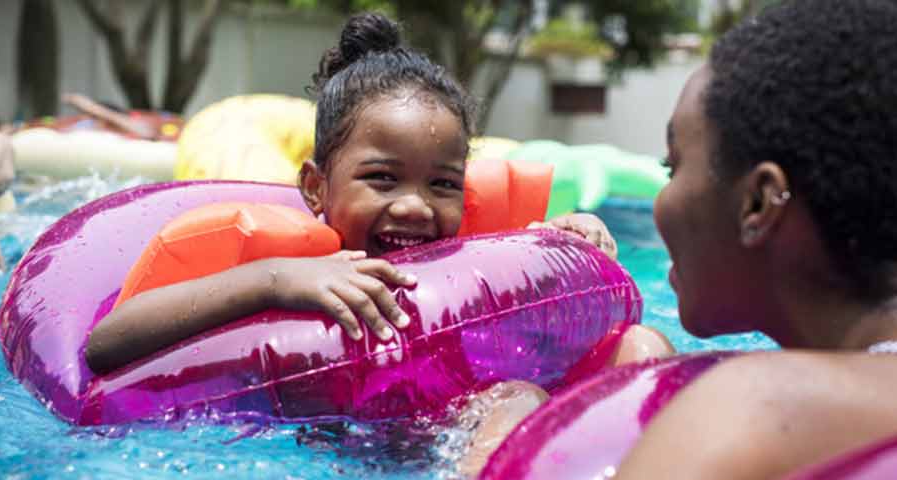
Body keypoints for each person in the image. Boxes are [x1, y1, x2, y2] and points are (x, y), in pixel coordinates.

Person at [363, 1, 897, 480]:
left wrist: (486, 458)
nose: (662, 202)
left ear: (757, 203)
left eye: (672, 166)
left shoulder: (756, 405)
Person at [85, 13, 666, 375]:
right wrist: (279, 279)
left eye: (443, 185)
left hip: (444, 418)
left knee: (646, 344)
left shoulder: (470, 252)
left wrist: (562, 237)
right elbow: (105, 345)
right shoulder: (281, 266)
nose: (415, 206)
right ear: (316, 188)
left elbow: (520, 266)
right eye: (382, 179)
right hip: (327, 443)